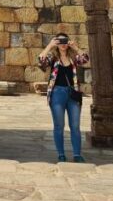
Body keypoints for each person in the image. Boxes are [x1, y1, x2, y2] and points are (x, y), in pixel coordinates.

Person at [38, 32, 90, 162]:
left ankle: (77, 154)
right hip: (57, 94)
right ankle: (61, 154)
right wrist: (49, 46)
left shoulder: (73, 57)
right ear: (56, 43)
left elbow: (85, 60)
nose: (63, 44)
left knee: (75, 125)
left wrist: (76, 47)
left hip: (73, 93)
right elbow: (41, 63)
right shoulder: (53, 58)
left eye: (65, 41)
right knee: (59, 125)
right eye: (60, 41)